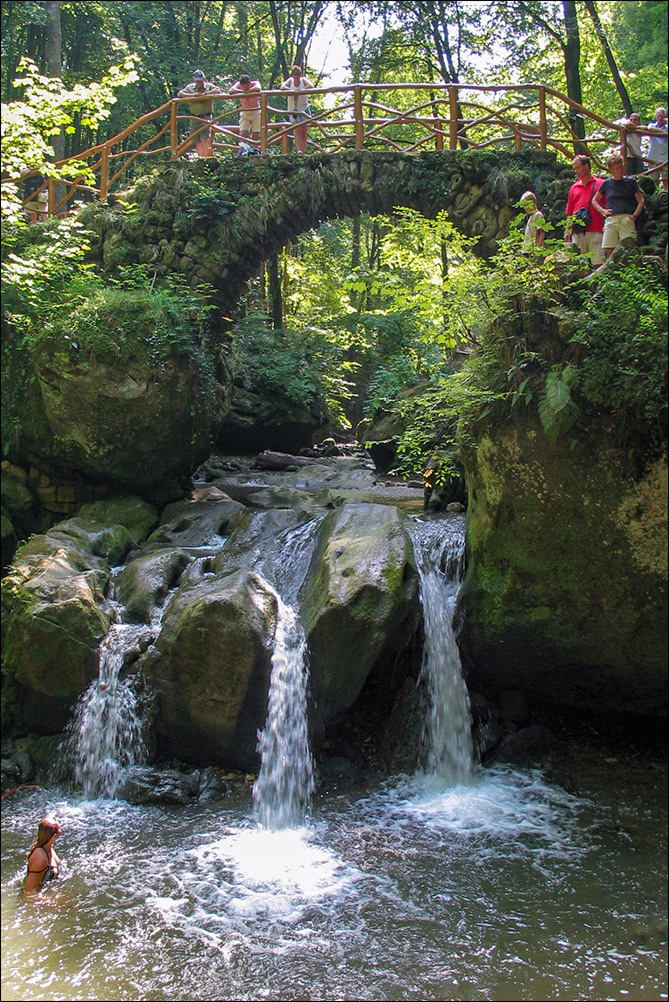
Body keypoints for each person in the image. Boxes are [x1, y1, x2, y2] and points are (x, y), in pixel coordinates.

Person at [592, 154, 645, 260]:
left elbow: (641, 201)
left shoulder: (631, 182)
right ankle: (609, 273)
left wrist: (634, 216)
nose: (620, 170)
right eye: (617, 168)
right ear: (611, 169)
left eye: (621, 167)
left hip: (627, 219)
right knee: (609, 249)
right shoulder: (607, 183)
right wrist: (602, 211)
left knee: (630, 249)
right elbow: (594, 201)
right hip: (612, 219)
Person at [563, 155, 606, 267]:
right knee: (580, 264)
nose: (576, 171)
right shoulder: (574, 187)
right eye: (575, 168)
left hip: (596, 228)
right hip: (578, 230)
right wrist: (567, 231)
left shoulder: (600, 184)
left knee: (598, 262)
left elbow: (607, 206)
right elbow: (569, 212)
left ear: (586, 166)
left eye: (578, 168)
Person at [178, 69, 222, 158]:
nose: (199, 83)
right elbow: (180, 94)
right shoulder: (190, 88)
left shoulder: (208, 86)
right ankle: (200, 157)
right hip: (194, 117)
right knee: (196, 139)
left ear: (204, 79)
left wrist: (205, 94)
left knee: (204, 138)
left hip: (205, 116)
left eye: (200, 80)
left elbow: (218, 90)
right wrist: (193, 95)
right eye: (197, 81)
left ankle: (205, 158)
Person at [23, 817, 61, 894]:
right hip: (35, 896)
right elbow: (28, 892)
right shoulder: (41, 859)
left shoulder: (47, 845)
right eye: (59, 829)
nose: (61, 831)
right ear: (54, 836)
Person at [280, 64, 313, 154]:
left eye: (298, 75)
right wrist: (292, 91)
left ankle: (303, 152)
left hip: (304, 108)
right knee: (297, 129)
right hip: (293, 110)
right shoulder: (290, 81)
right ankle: (298, 150)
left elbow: (311, 86)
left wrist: (300, 90)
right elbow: (282, 87)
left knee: (304, 132)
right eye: (295, 76)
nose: (297, 78)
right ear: (293, 76)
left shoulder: (303, 81)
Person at [228, 74, 262, 152]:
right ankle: (242, 150)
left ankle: (255, 150)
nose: (244, 88)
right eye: (242, 86)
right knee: (242, 134)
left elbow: (258, 88)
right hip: (245, 112)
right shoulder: (238, 85)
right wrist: (243, 91)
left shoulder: (255, 83)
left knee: (255, 135)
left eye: (246, 86)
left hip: (256, 112)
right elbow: (231, 91)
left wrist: (247, 91)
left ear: (249, 83)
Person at [647, 106, 667, 189]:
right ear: (656, 116)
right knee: (654, 180)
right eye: (658, 115)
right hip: (653, 156)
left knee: (666, 179)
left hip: (665, 157)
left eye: (662, 115)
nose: (660, 117)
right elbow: (649, 128)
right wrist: (663, 133)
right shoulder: (652, 125)